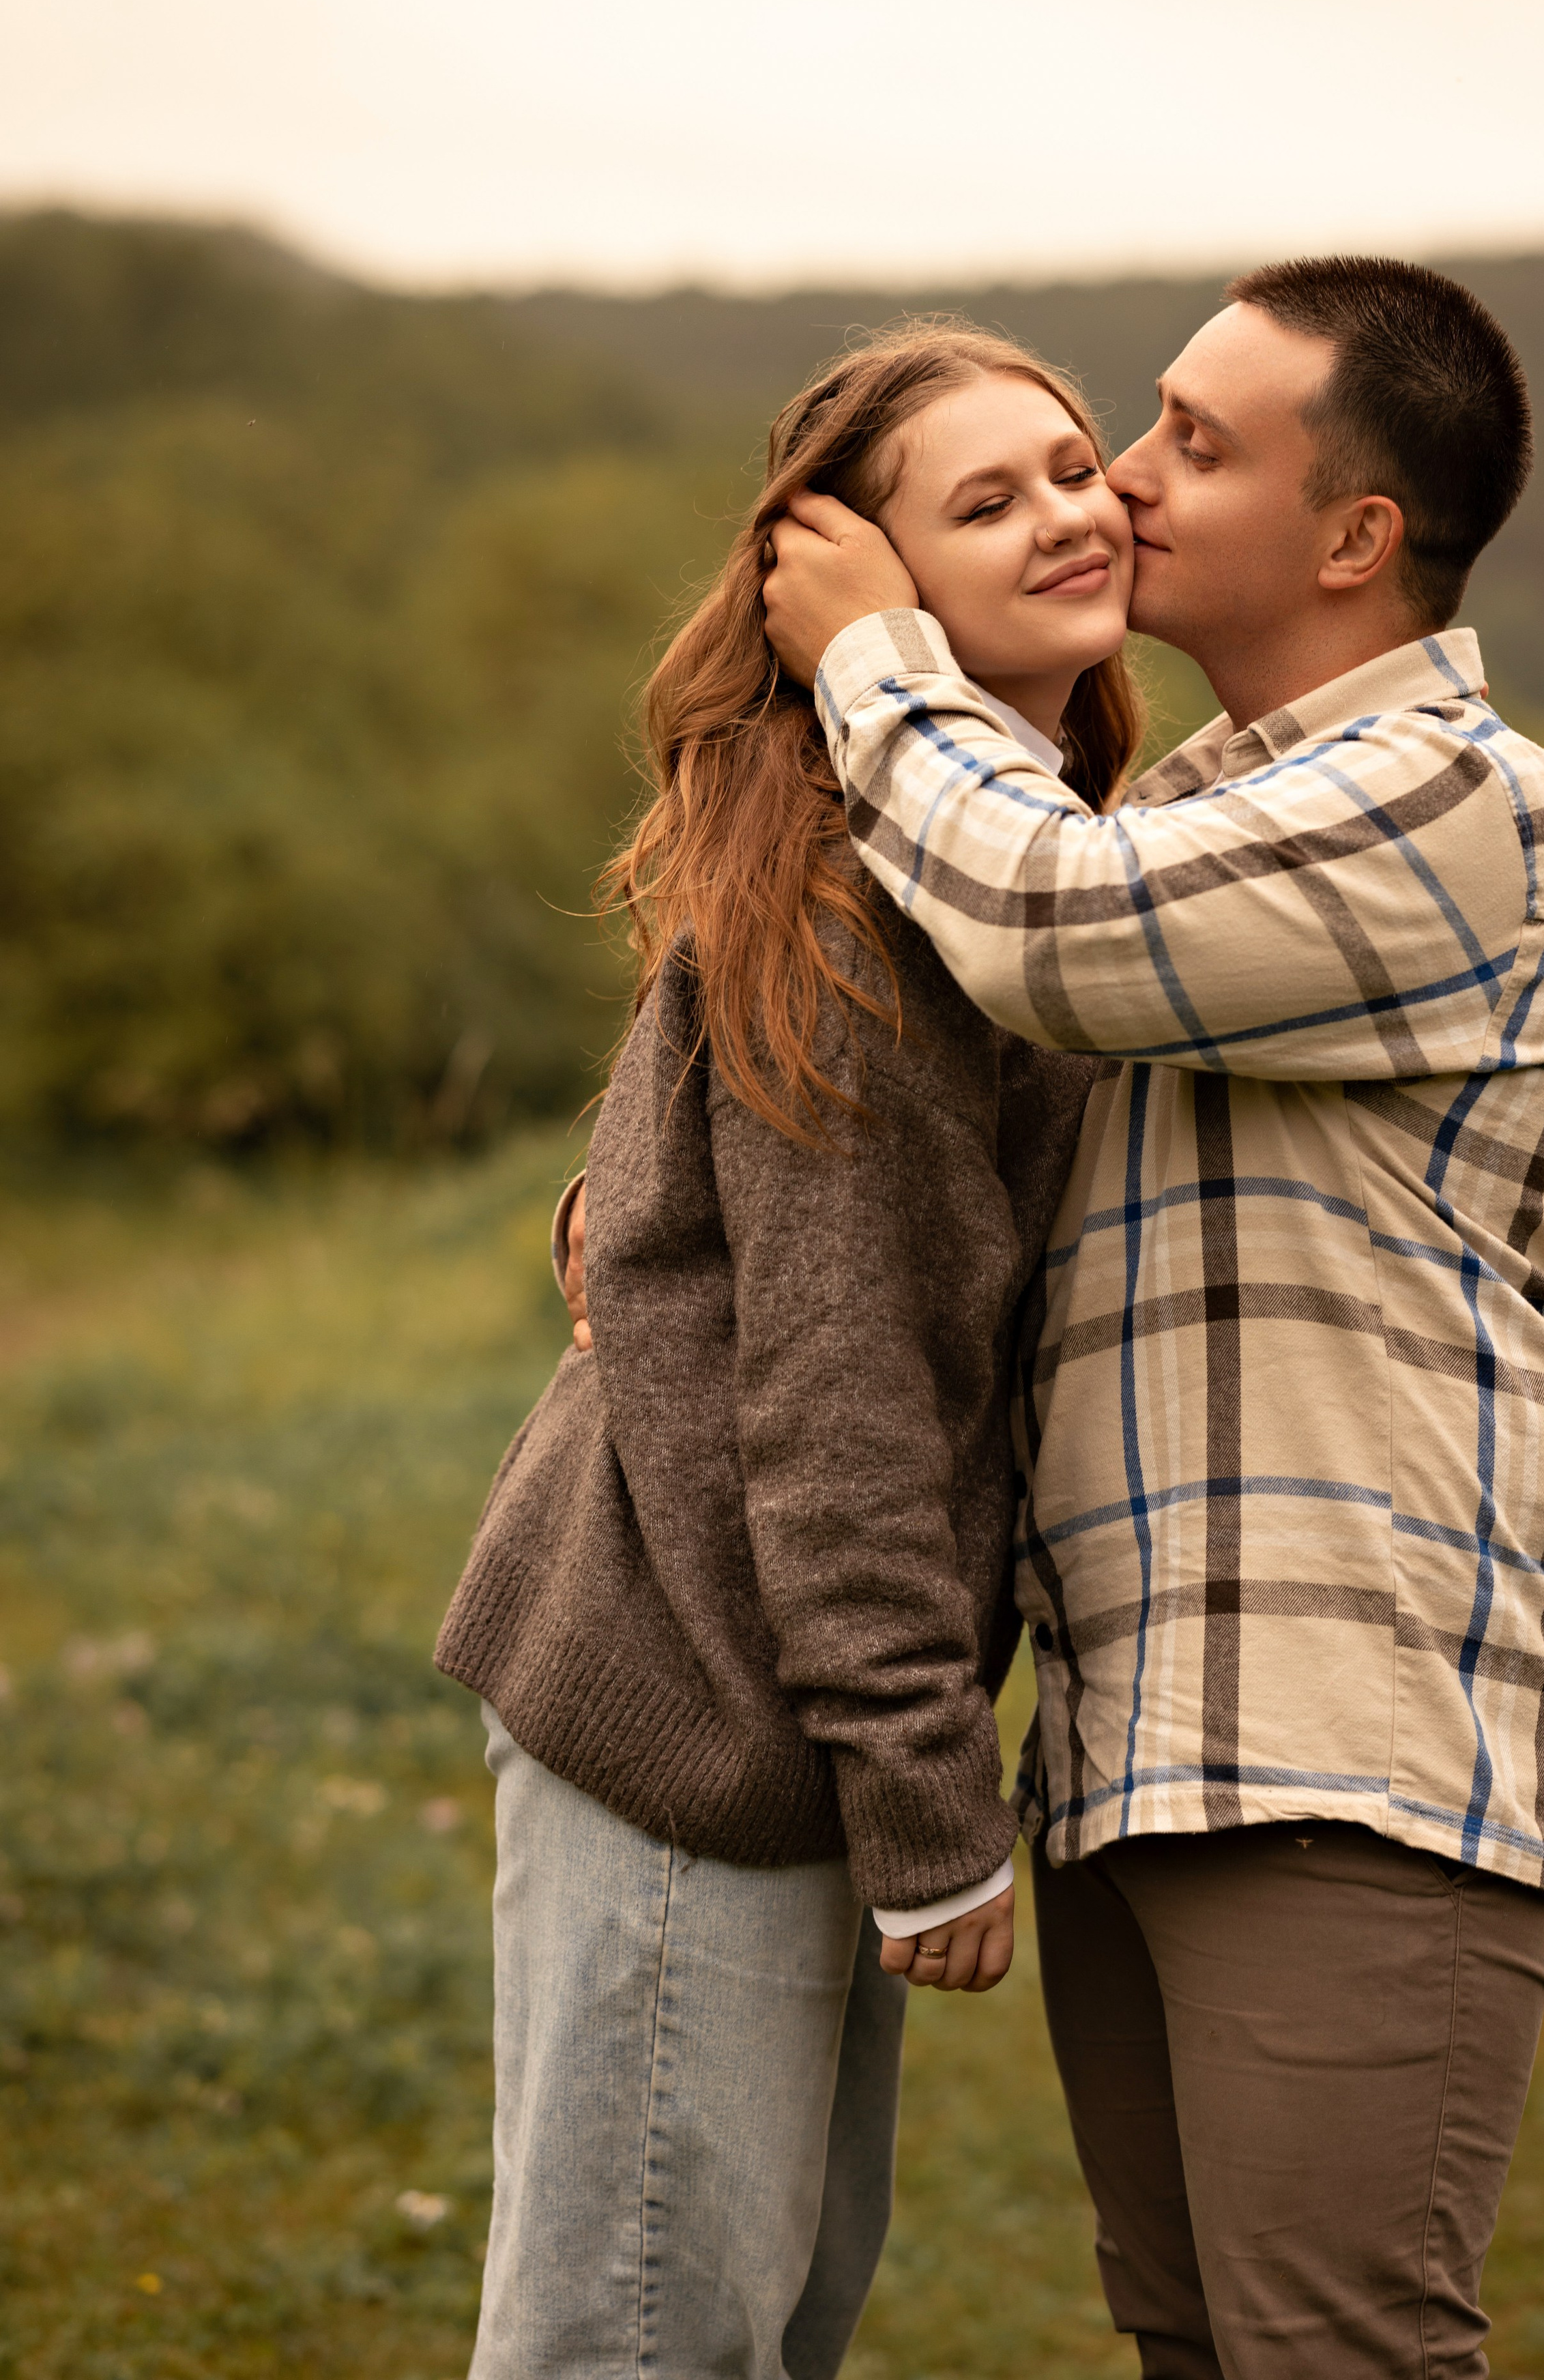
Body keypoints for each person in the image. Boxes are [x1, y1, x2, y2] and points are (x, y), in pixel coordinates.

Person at [762, 257, 1544, 2380]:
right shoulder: (1185, 809)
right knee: (1192, 2341)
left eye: (1194, 447)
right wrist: (666, 1194)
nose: (1124, 479)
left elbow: (1050, 935)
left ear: (1355, 538)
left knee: (1332, 2346)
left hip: (1346, 1739)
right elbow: (960, 1138)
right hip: (1141, 1735)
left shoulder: (1456, 795)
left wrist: (871, 657)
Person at [435, 319, 1150, 2380]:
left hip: (778, 1698)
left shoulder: (1018, 862)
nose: (1067, 515)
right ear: (870, 590)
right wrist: (928, 1795)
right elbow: (842, 1387)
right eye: (984, 501)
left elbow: (734, 1230)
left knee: (769, 2312)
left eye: (1073, 464)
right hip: (700, 1699)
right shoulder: (871, 899)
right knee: (644, 2338)